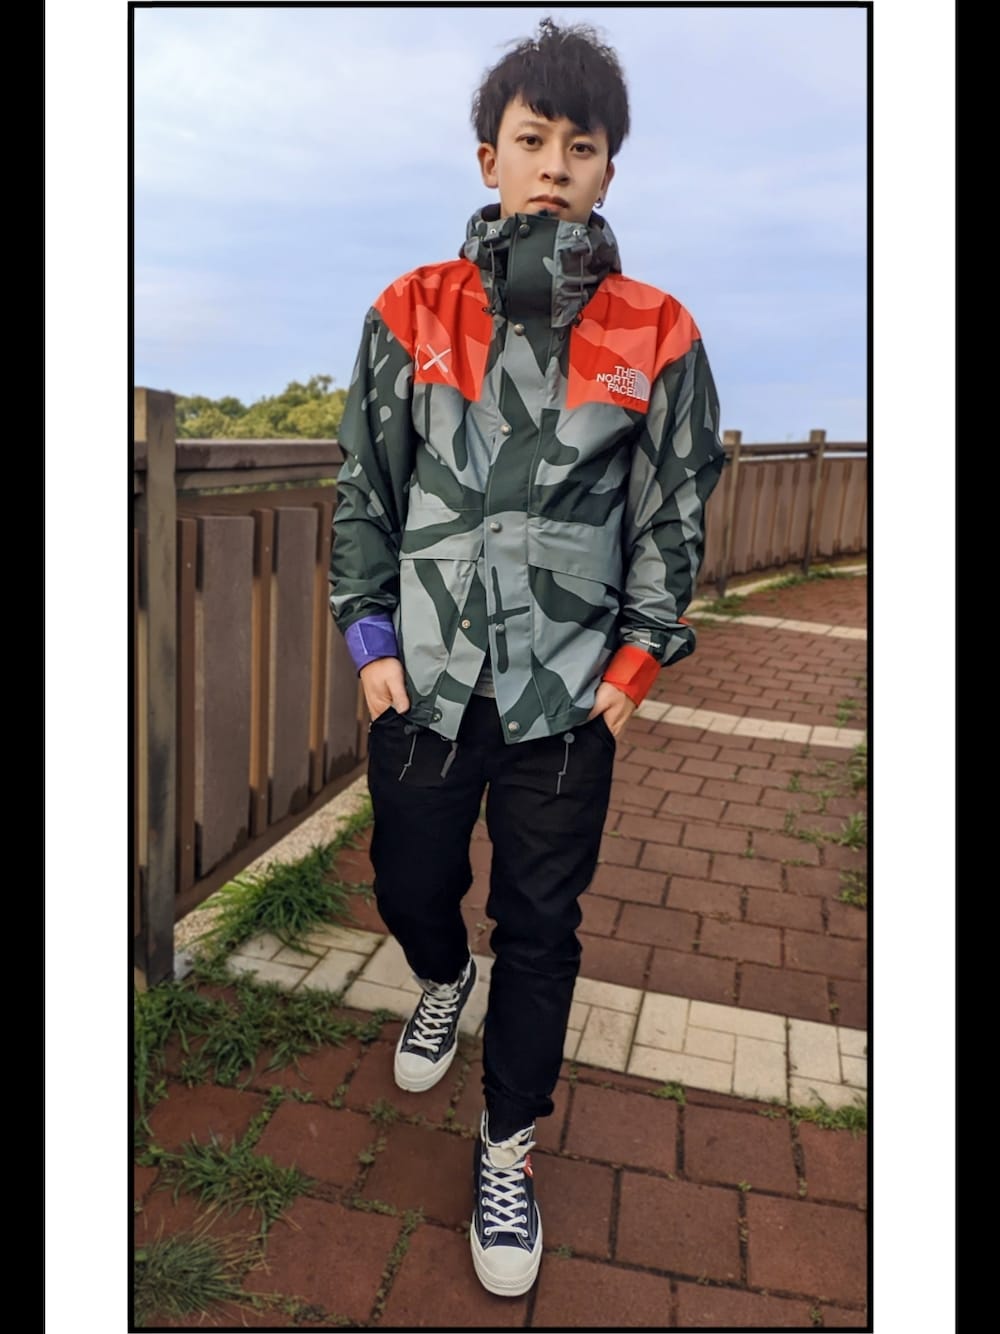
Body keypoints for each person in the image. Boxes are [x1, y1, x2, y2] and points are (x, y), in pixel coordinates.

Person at [329, 17, 725, 1297]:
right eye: (533, 139)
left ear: (610, 167)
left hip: (567, 699)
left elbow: (672, 513)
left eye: (582, 146)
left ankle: (508, 1142)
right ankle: (441, 975)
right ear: (488, 155)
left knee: (542, 927)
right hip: (422, 681)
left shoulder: (660, 331)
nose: (555, 165)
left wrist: (631, 672)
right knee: (409, 880)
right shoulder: (410, 309)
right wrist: (369, 637)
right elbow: (365, 487)